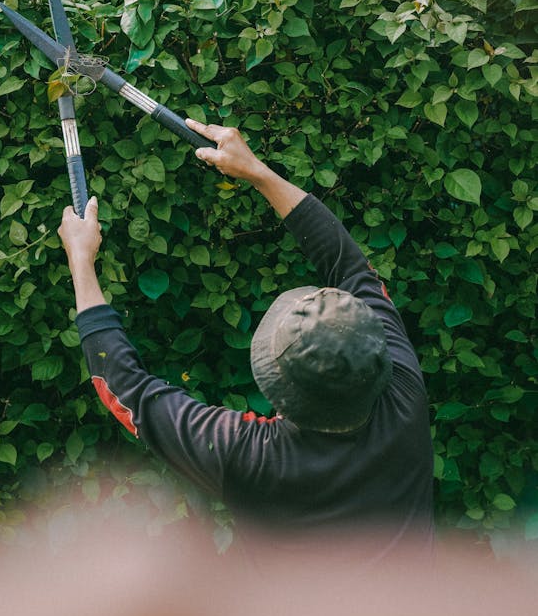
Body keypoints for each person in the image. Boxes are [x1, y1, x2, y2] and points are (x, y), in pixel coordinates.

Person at [58, 120, 435, 556]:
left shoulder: (256, 459)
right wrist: (257, 171)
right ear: (376, 349)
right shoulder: (404, 391)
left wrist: (81, 260)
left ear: (277, 388)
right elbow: (350, 267)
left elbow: (126, 391)